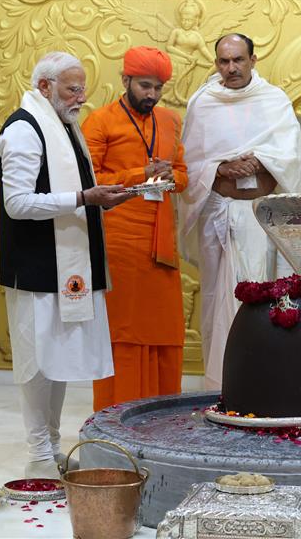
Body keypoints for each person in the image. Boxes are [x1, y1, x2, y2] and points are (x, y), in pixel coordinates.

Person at [0, 52, 132, 479]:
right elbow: (17, 204)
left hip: (65, 270)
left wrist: (103, 199)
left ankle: (52, 448)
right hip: (35, 270)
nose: (81, 97)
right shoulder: (24, 129)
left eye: (82, 88)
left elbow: (73, 194)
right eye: (72, 88)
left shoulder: (65, 127)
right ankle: (37, 452)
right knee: (37, 363)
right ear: (44, 87)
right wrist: (83, 199)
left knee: (58, 362)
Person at [179, 33, 301, 389]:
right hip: (215, 212)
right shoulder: (203, 102)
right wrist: (221, 168)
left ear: (254, 60)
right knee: (213, 297)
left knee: (258, 291)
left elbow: (292, 156)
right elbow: (189, 162)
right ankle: (218, 382)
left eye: (238, 60)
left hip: (259, 217)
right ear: (216, 64)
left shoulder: (273, 100)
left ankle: (260, 381)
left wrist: (258, 159)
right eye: (224, 62)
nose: (231, 68)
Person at [82, 46, 188, 412]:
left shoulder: (171, 120)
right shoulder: (100, 121)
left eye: (158, 88)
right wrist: (139, 175)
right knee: (123, 335)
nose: (152, 95)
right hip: (119, 242)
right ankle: (118, 419)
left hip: (161, 243)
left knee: (165, 333)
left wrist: (171, 175)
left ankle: (161, 420)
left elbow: (183, 175)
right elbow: (90, 180)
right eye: (145, 85)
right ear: (125, 80)